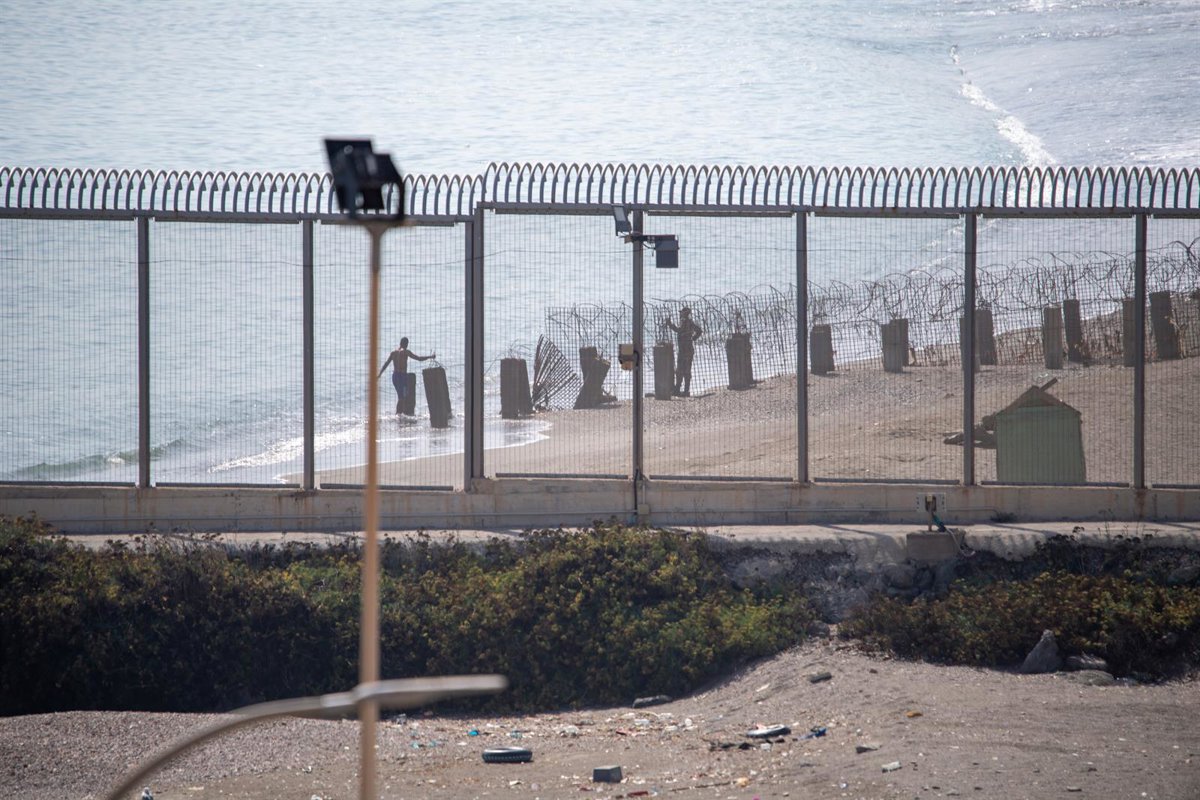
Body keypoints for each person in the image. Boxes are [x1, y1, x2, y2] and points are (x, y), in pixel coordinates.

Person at [378, 337, 436, 414]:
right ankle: (398, 414)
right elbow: (418, 358)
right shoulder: (406, 352)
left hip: (395, 376)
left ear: (400, 343)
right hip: (402, 377)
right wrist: (430, 357)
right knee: (402, 397)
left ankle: (400, 414)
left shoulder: (393, 353)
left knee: (402, 396)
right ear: (406, 344)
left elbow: (386, 364)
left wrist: (379, 374)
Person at [666, 306, 703, 396]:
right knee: (687, 370)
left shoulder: (684, 321)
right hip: (689, 349)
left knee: (680, 370)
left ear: (684, 314)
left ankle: (678, 389)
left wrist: (670, 324)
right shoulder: (690, 322)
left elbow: (678, 330)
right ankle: (685, 390)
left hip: (683, 350)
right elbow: (699, 331)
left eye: (681, 313)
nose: (680, 314)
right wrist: (693, 338)